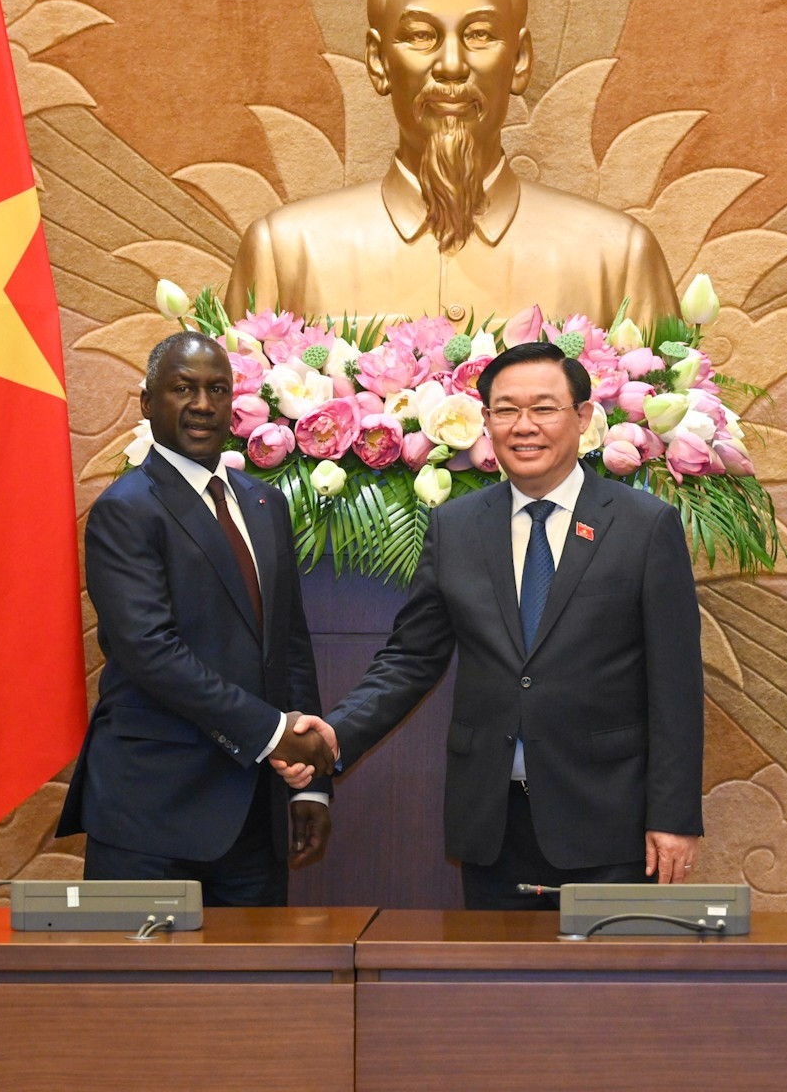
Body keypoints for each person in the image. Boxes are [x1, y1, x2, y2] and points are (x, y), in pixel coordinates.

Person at [281, 341, 704, 909]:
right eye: (505, 410)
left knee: (605, 994)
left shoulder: (644, 526)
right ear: (485, 422)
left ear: (583, 418)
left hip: (609, 820)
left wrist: (673, 816)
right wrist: (338, 733)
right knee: (496, 992)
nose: (523, 426)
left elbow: (676, 686)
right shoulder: (455, 527)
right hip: (493, 819)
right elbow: (411, 657)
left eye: (544, 408)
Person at [224, 0, 680, 327]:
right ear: (379, 62)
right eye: (421, 36)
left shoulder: (618, 260)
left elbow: (666, 416)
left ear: (519, 60)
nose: (451, 66)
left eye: (480, 35)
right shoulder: (285, 255)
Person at [56, 331, 334, 904]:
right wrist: (277, 736)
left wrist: (312, 788)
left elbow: (290, 647)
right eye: (183, 389)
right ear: (147, 403)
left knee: (252, 990)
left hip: (255, 814)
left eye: (217, 389)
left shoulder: (264, 504)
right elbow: (150, 652)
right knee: (145, 993)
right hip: (152, 815)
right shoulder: (125, 510)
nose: (203, 404)